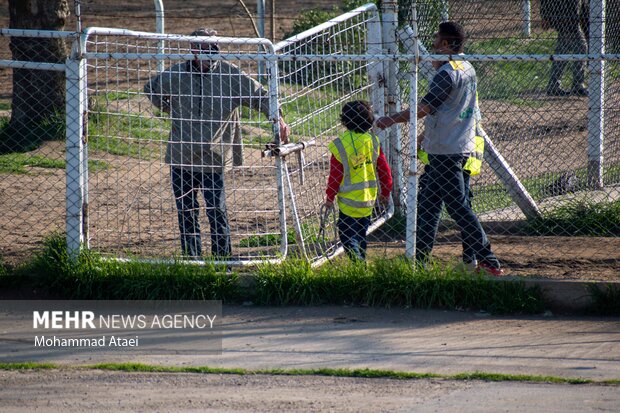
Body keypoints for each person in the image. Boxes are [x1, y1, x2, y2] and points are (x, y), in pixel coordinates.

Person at [144, 28, 289, 259]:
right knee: (186, 211)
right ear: (193, 50)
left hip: (214, 157)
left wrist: (278, 118)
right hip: (182, 156)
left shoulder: (230, 75)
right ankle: (192, 259)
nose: (213, 51)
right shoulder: (177, 74)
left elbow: (261, 95)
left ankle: (223, 261)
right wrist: (167, 107)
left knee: (216, 211)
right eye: (206, 47)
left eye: (215, 47)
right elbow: (150, 88)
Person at [376, 21, 503, 276]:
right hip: (455, 147)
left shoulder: (446, 73)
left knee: (458, 207)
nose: (433, 44)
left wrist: (390, 119)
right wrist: (426, 134)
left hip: (447, 152)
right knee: (430, 204)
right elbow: (452, 109)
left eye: (436, 39)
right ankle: (422, 260)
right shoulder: (466, 67)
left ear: (446, 44)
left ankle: (488, 260)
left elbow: (425, 107)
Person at [324, 100, 393, 261]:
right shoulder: (373, 141)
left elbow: (335, 176)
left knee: (348, 238)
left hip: (348, 204)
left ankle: (358, 263)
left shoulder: (341, 144)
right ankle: (360, 263)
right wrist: (386, 191)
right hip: (368, 201)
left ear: (345, 121)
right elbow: (384, 171)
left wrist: (329, 197)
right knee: (361, 236)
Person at [540, 0, 589, 96]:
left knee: (563, 51)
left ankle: (554, 85)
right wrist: (545, 16)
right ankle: (577, 85)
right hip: (566, 18)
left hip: (570, 17)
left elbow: (582, 5)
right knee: (580, 48)